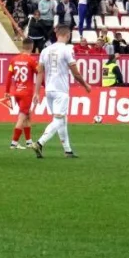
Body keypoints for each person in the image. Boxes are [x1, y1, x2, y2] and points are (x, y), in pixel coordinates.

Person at [32, 24, 89, 159]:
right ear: (68, 36)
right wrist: (85, 85)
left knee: (61, 119)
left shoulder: (45, 50)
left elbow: (39, 72)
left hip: (49, 90)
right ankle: (40, 143)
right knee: (58, 120)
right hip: (61, 90)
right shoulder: (67, 50)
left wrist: (36, 92)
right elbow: (75, 73)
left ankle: (67, 150)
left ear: (57, 35)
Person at [4, 38, 39, 149]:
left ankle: (28, 142)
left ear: (22, 46)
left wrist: (7, 91)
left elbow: (9, 76)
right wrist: (45, 85)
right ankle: (14, 143)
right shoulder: (32, 61)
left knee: (27, 115)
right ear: (32, 46)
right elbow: (40, 74)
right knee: (22, 117)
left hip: (17, 92)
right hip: (26, 93)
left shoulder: (14, 60)